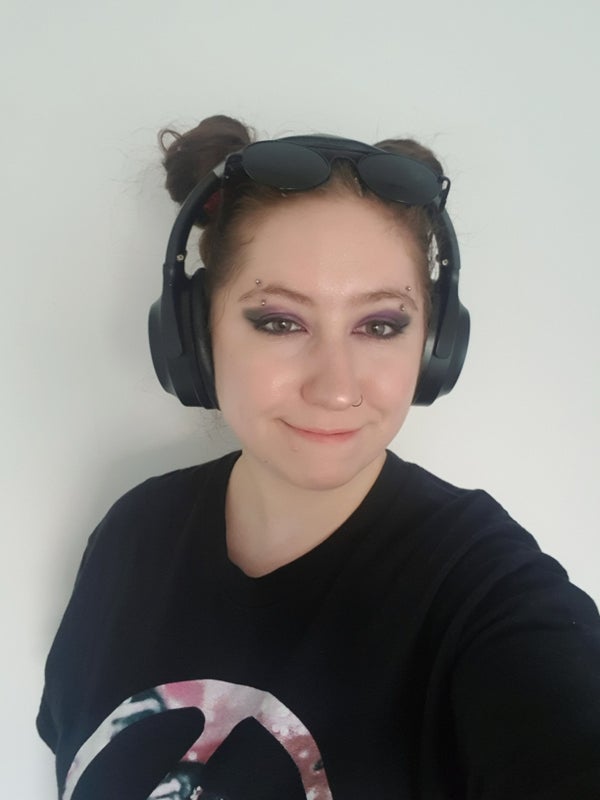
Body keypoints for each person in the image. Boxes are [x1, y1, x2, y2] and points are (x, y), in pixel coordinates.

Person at [37, 115, 600, 800]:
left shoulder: (485, 591)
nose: (335, 388)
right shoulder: (131, 532)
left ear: (435, 348)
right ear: (195, 336)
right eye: (280, 321)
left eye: (380, 325)